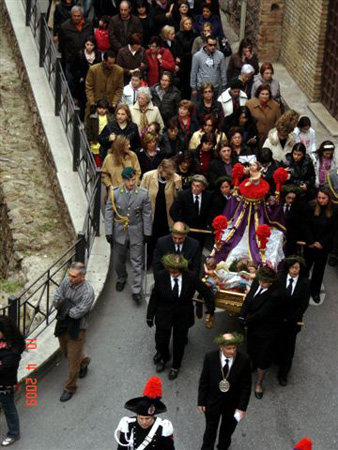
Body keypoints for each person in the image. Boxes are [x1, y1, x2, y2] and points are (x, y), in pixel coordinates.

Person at [147, 253, 214, 379]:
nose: (174, 274)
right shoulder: (161, 276)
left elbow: (205, 291)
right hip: (164, 314)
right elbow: (155, 297)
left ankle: (175, 366)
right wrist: (150, 316)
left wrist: (211, 308)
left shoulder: (191, 277)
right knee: (161, 341)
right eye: (171, 271)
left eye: (176, 271)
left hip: (183, 315)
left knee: (179, 343)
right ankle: (164, 357)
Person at [105, 167, 152, 303]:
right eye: (128, 180)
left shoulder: (143, 194)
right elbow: (109, 212)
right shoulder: (115, 193)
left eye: (133, 179)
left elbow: (147, 214)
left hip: (136, 230)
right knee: (119, 260)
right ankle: (121, 278)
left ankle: (136, 289)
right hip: (119, 231)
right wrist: (109, 231)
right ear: (123, 180)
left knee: (137, 261)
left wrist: (147, 232)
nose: (131, 183)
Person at [198, 332, 251, 450]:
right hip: (213, 403)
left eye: (234, 348)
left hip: (233, 406)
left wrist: (242, 407)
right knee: (210, 431)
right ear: (221, 347)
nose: (232, 351)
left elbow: (246, 386)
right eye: (229, 348)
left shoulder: (244, 360)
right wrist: (201, 401)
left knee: (226, 433)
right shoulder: (210, 357)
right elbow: (204, 380)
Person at [53, 262, 95, 402]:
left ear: (82, 277)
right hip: (63, 326)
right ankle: (84, 361)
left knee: (72, 362)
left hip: (78, 329)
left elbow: (77, 313)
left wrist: (64, 305)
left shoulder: (88, 292)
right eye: (69, 274)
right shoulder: (66, 281)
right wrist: (66, 306)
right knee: (66, 353)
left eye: (74, 276)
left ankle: (70, 388)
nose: (70, 278)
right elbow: (56, 300)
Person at [239, 266, 283, 399]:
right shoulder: (258, 281)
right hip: (254, 326)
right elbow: (249, 299)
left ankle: (259, 383)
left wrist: (246, 321)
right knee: (251, 349)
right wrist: (241, 316)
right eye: (261, 281)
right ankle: (253, 364)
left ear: (270, 282)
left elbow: (261, 314)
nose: (261, 284)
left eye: (265, 282)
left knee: (263, 358)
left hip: (267, 330)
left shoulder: (275, 294)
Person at [276, 256, 310, 386]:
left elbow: (304, 304)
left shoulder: (305, 283)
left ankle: (283, 374)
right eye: (292, 267)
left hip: (292, 321)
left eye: (297, 268)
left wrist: (292, 318)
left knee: (288, 349)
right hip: (277, 319)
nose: (295, 270)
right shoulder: (279, 278)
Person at [114, 376, 175, 449]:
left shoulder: (163, 428)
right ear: (137, 415)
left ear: (153, 416)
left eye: (147, 418)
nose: (144, 422)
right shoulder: (128, 425)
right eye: (141, 418)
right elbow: (122, 448)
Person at [140, 159, 182, 264]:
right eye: (167, 173)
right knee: (150, 239)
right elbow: (141, 196)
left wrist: (177, 186)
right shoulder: (148, 176)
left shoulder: (175, 178)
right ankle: (149, 260)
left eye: (170, 174)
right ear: (160, 169)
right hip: (151, 214)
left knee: (165, 241)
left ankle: (163, 262)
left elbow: (179, 199)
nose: (169, 176)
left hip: (166, 216)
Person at [303, 187, 338, 303]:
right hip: (310, 244)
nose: (321, 200)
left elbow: (333, 230)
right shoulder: (311, 206)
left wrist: (322, 243)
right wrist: (311, 241)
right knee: (305, 267)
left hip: (323, 246)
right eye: (319, 198)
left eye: (324, 198)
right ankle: (301, 289)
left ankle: (315, 292)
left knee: (319, 270)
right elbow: (306, 225)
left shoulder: (334, 209)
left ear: (329, 198)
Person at [0, 315, 25, 447]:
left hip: (5, 384)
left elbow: (3, 369)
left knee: (9, 409)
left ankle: (14, 433)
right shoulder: (5, 343)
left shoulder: (13, 351)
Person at [170, 174, 213, 246]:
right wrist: (181, 224)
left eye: (198, 186)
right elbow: (173, 211)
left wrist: (208, 224)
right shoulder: (184, 195)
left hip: (201, 231)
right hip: (187, 230)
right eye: (193, 185)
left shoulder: (208, 196)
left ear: (203, 187)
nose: (194, 188)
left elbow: (211, 212)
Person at [59, 6, 93, 87]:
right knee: (71, 81)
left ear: (82, 15)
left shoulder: (89, 24)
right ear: (71, 15)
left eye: (79, 16)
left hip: (85, 58)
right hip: (71, 59)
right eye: (74, 16)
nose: (76, 18)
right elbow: (61, 43)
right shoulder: (65, 27)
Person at [85, 50, 124, 120]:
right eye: (109, 63)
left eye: (113, 63)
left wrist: (114, 103)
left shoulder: (119, 71)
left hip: (110, 106)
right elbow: (89, 87)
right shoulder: (93, 69)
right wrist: (92, 103)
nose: (112, 65)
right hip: (95, 104)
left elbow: (119, 89)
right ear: (104, 61)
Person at [70, 36, 102, 120]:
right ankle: (81, 119)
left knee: (92, 101)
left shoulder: (98, 55)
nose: (89, 47)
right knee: (82, 102)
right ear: (84, 44)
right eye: (87, 44)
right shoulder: (79, 54)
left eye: (91, 45)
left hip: (94, 82)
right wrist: (79, 77)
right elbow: (73, 68)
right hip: (82, 82)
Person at [246, 83, 281, 148]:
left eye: (267, 94)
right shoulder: (249, 104)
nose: (265, 96)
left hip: (268, 139)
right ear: (258, 94)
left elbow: (278, 122)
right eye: (262, 94)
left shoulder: (275, 106)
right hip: (253, 138)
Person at [176, 17, 197, 98]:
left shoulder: (194, 34)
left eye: (190, 24)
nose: (188, 25)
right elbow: (179, 48)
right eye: (186, 24)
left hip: (191, 60)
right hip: (182, 61)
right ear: (182, 25)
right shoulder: (178, 35)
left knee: (189, 82)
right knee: (182, 82)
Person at [85, 99, 111, 167]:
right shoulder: (92, 117)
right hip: (95, 140)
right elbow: (88, 129)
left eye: (103, 108)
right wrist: (90, 139)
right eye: (99, 108)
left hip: (105, 139)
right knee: (96, 156)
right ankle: (96, 168)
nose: (101, 110)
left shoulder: (110, 118)